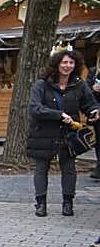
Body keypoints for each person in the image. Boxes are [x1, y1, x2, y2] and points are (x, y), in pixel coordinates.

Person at [27, 49, 99, 216]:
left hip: (68, 134)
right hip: (43, 132)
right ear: (57, 64)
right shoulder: (42, 84)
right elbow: (35, 108)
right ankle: (41, 203)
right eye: (64, 62)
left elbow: (90, 103)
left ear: (75, 65)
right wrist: (58, 115)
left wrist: (94, 111)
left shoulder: (79, 84)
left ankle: (68, 203)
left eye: (71, 63)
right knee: (41, 168)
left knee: (69, 169)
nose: (67, 66)